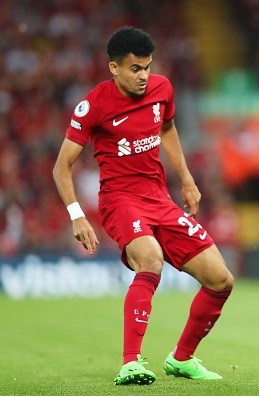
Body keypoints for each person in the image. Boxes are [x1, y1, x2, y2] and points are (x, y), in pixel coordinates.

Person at [52, 26, 234, 385]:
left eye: (147, 67)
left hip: (159, 199)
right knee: (150, 259)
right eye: (135, 68)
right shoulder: (94, 105)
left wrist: (186, 178)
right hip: (120, 201)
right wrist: (77, 215)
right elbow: (62, 167)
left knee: (221, 280)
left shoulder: (162, 89)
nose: (143, 76)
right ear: (114, 68)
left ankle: (182, 359)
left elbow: (167, 128)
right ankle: (130, 362)